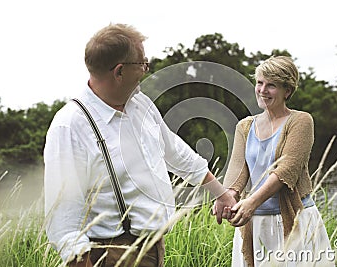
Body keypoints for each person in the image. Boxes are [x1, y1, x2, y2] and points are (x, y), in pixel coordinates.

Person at [44, 23, 236, 267]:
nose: (146, 70)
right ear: (119, 71)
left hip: (153, 249)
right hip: (112, 256)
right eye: (142, 64)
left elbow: (175, 152)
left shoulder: (140, 104)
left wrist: (221, 194)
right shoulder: (70, 126)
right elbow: (64, 221)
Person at [216, 56, 334, 266]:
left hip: (293, 219)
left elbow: (286, 170)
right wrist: (226, 197)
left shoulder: (300, 121)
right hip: (255, 223)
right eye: (260, 83)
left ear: (287, 91)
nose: (262, 90)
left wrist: (251, 203)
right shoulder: (245, 126)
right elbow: (238, 172)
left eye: (271, 85)